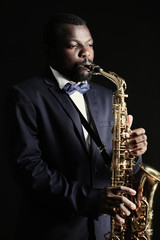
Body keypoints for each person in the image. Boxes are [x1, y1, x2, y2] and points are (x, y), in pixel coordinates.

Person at [4, 13, 147, 240]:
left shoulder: (107, 96)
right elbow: (28, 168)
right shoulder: (26, 96)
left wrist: (133, 154)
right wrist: (90, 199)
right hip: (53, 231)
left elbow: (117, 165)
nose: (86, 53)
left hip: (105, 230)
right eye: (74, 46)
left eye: (89, 45)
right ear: (50, 51)